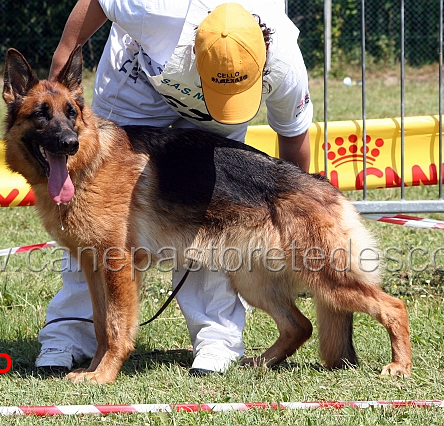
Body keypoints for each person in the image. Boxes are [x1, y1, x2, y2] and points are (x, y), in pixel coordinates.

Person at [36, 0, 314, 376]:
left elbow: (294, 142)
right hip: (136, 84)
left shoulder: (283, 59)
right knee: (91, 218)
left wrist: (296, 222)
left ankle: (216, 337)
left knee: (213, 209)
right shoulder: (156, 10)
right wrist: (59, 72)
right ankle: (71, 333)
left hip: (216, 114)